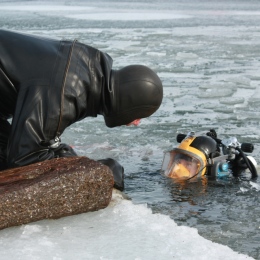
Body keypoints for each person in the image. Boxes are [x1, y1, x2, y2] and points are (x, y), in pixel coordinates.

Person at [0, 30, 163, 177]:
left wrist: (69, 158)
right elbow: (24, 159)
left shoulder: (85, 69)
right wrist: (96, 171)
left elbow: (34, 143)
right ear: (129, 104)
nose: (136, 123)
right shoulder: (69, 90)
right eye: (139, 116)